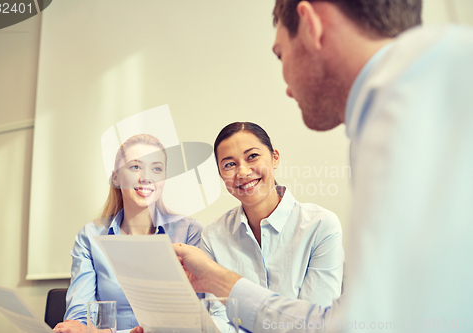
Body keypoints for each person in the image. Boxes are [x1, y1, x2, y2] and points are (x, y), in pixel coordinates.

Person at [168, 0, 473, 332]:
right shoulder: (389, 110)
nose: (286, 88)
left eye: (280, 54)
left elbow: (357, 324)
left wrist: (220, 281)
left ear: (310, 24)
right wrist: (214, 281)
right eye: (228, 164)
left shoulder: (410, 108)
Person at [53, 134, 203, 333]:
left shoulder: (190, 232)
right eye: (135, 167)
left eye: (156, 169)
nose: (146, 177)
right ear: (115, 177)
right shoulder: (90, 236)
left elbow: (196, 318)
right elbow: (79, 320)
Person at [204, 122, 344, 331]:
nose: (242, 172)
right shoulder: (213, 236)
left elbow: (315, 324)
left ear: (275, 157)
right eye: (229, 165)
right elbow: (220, 318)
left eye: (252, 156)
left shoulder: (321, 226)